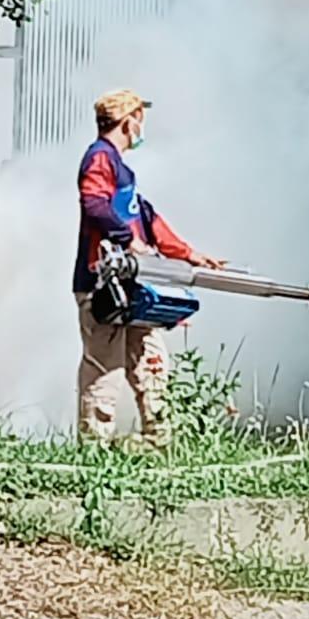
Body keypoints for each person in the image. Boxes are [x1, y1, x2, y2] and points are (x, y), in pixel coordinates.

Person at [74, 88, 223, 447]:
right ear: (129, 121)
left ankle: (158, 440)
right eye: (140, 118)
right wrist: (128, 240)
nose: (143, 126)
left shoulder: (121, 169)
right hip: (102, 282)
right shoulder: (99, 159)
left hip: (134, 282)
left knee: (150, 360)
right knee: (104, 367)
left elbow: (147, 217)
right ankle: (94, 448)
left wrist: (187, 254)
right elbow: (95, 205)